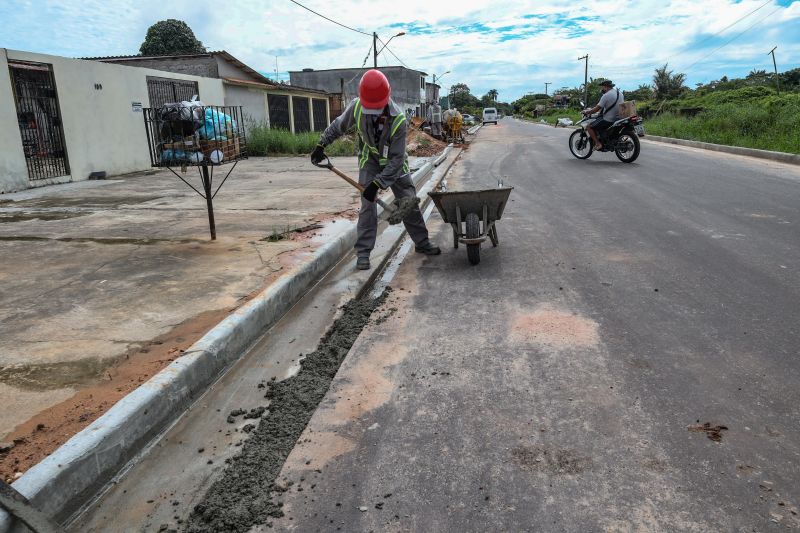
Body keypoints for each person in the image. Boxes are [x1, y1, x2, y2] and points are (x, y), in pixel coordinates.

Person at [311, 69, 441, 271]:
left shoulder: (398, 119)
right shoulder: (357, 107)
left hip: (394, 164)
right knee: (367, 207)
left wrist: (378, 184)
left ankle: (422, 243)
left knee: (408, 201)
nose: (372, 112)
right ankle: (363, 253)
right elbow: (338, 126)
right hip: (370, 159)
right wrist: (321, 144)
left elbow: (396, 160)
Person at [583, 79, 624, 151]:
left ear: (606, 87)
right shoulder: (620, 93)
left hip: (608, 119)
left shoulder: (606, 95)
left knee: (589, 127)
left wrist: (587, 112)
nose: (601, 89)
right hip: (618, 118)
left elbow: (596, 109)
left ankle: (598, 143)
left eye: (602, 87)